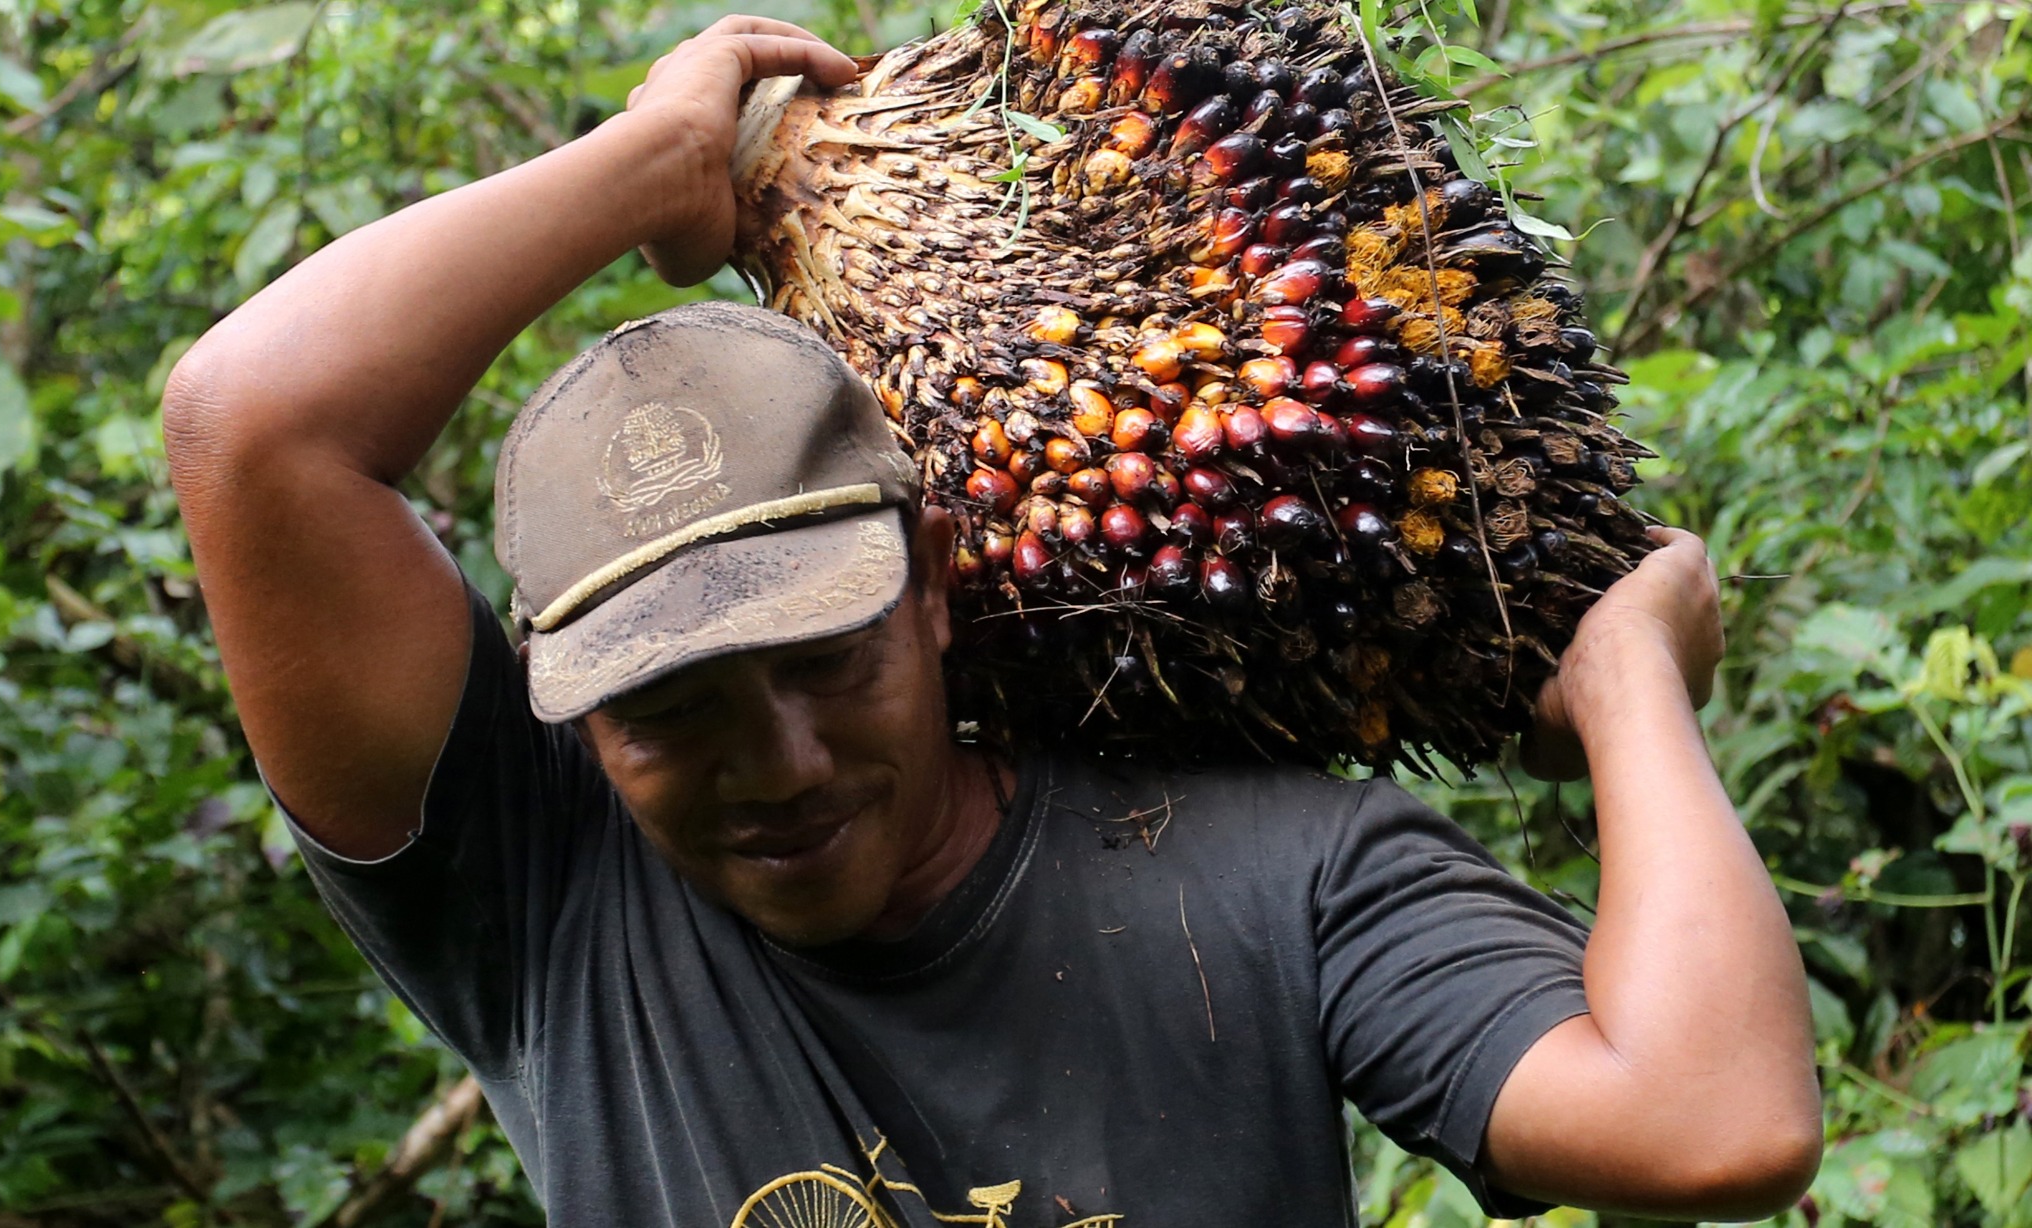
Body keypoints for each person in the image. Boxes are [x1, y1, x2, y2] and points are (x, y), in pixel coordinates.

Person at [162, 15, 1823, 1226]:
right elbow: (248, 426)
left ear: (935, 582)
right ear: (572, 717)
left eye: (828, 658)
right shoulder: (543, 895)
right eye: (674, 713)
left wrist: (1625, 695)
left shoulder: (1274, 873)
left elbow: (1714, 1126)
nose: (783, 764)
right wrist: (652, 167)